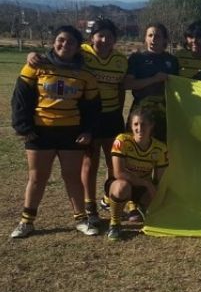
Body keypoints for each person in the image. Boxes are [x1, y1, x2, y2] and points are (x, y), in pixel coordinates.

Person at [27, 18, 129, 225]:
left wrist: (117, 110)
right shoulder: (80, 51)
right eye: (100, 35)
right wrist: (31, 55)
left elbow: (120, 89)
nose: (104, 40)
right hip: (89, 117)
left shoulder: (121, 60)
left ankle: (109, 200)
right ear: (92, 38)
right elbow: (55, 55)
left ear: (115, 40)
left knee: (114, 163)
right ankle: (89, 205)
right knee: (89, 163)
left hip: (112, 117)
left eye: (109, 37)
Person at [10, 25, 101, 238]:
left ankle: (81, 219)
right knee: (37, 177)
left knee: (72, 177)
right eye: (61, 40)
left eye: (71, 42)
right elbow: (20, 99)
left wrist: (88, 131)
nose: (65, 45)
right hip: (40, 132)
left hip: (71, 132)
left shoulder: (86, 74)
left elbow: (93, 108)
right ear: (54, 41)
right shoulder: (36, 66)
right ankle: (27, 221)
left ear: (78, 47)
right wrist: (23, 127)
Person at [106, 108, 169, 241]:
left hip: (141, 187)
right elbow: (119, 173)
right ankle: (115, 224)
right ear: (131, 126)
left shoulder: (160, 148)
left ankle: (140, 208)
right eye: (136, 124)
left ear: (151, 126)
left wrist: (156, 197)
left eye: (144, 124)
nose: (139, 128)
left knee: (159, 201)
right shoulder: (122, 141)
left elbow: (159, 180)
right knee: (122, 187)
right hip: (120, 183)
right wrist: (146, 183)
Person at [123, 23, 179, 142]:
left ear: (164, 39)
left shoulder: (172, 61)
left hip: (164, 114)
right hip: (140, 112)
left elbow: (177, 88)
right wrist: (154, 79)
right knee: (136, 148)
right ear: (145, 38)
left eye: (158, 36)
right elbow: (127, 84)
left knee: (161, 150)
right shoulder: (137, 59)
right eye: (150, 35)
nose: (153, 39)